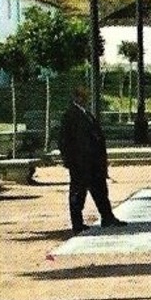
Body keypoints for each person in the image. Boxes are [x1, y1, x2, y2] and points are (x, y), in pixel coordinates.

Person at [58, 84, 122, 235]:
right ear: (75, 98)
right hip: (80, 162)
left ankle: (107, 217)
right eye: (81, 96)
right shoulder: (70, 116)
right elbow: (64, 140)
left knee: (100, 190)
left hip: (94, 162)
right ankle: (77, 224)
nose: (84, 99)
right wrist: (69, 160)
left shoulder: (87, 114)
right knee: (78, 193)